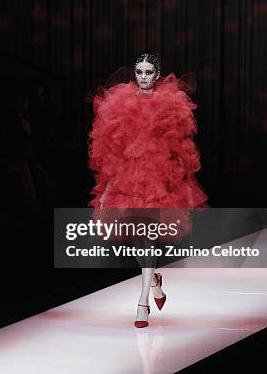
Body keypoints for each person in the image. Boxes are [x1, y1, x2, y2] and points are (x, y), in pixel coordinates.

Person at [87, 53, 209, 328]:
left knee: (148, 236)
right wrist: (107, 187)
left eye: (149, 72)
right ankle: (154, 280)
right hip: (126, 176)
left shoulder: (171, 103)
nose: (143, 77)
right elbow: (110, 149)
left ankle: (142, 303)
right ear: (135, 74)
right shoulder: (118, 103)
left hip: (157, 176)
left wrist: (178, 180)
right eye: (139, 72)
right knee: (135, 239)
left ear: (157, 75)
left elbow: (180, 146)